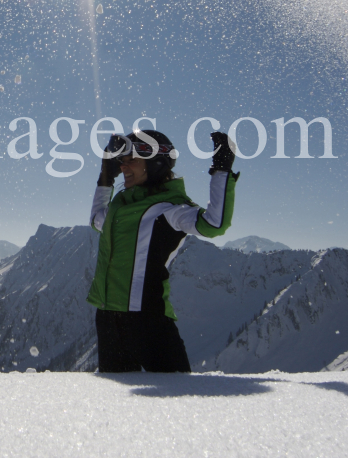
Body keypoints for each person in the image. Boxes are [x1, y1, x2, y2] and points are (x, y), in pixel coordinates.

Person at [87, 130, 239, 373]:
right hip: (107, 318)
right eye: (121, 162)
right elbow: (97, 219)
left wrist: (221, 169)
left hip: (149, 321)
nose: (124, 167)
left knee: (176, 401)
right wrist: (105, 178)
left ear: (156, 163)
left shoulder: (170, 209)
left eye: (132, 161)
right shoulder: (120, 206)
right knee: (118, 406)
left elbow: (214, 224)